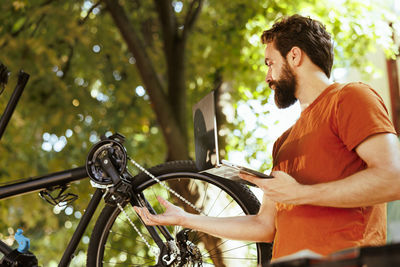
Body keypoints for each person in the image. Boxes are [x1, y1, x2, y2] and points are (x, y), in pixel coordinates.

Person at [134, 14, 400, 261]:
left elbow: (393, 178)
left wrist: (300, 194)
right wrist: (186, 219)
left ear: (294, 56)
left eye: (270, 63)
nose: (267, 77)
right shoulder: (283, 142)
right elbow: (264, 225)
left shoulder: (350, 98)